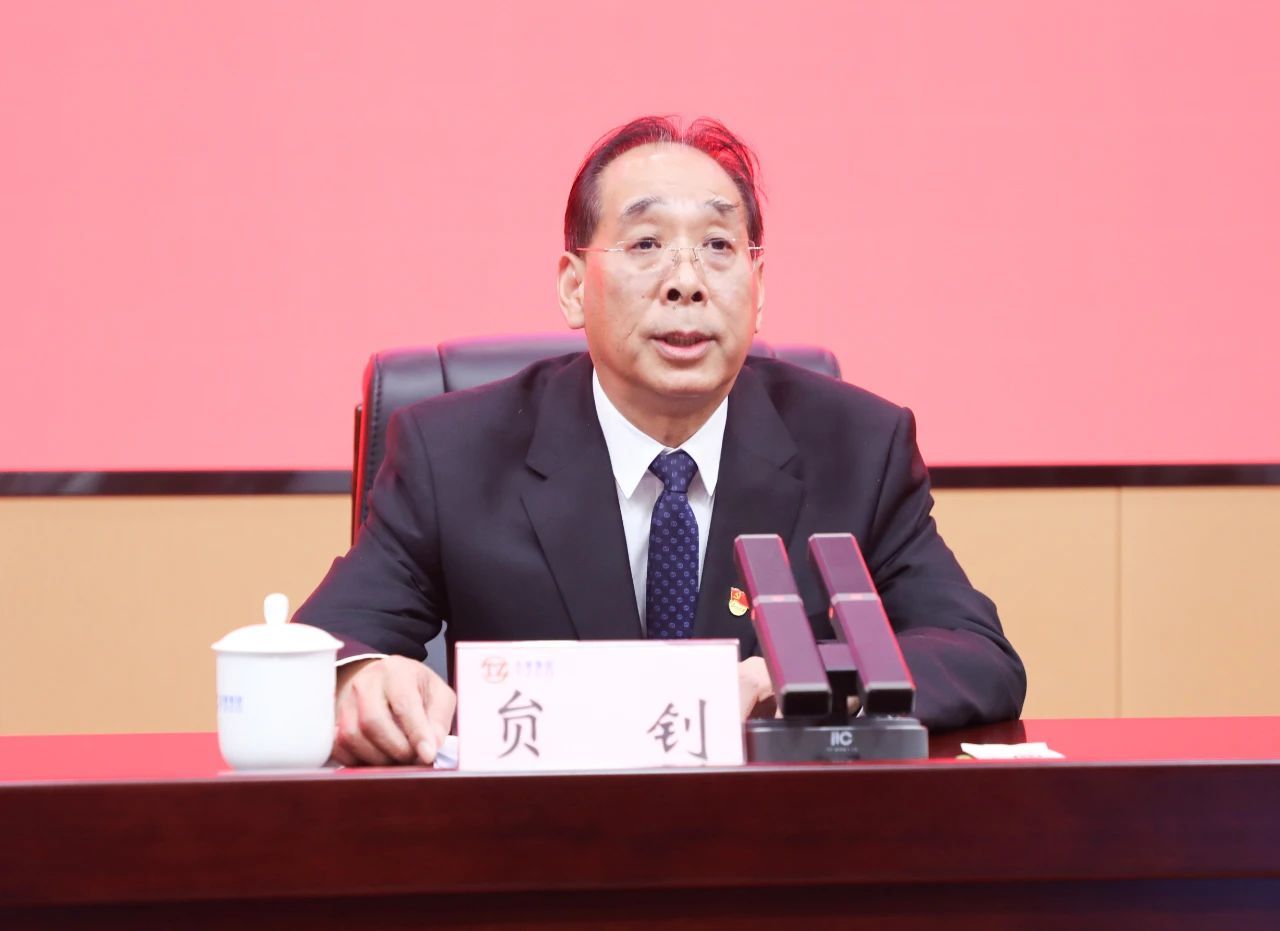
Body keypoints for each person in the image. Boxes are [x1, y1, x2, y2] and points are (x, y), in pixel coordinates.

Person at [294, 116, 1026, 766]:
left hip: (774, 848)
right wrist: (360, 678)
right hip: (537, 847)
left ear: (758, 287)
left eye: (717, 246)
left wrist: (810, 675)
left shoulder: (859, 448)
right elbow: (326, 646)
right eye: (646, 243)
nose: (686, 282)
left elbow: (974, 654)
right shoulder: (453, 454)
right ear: (574, 287)